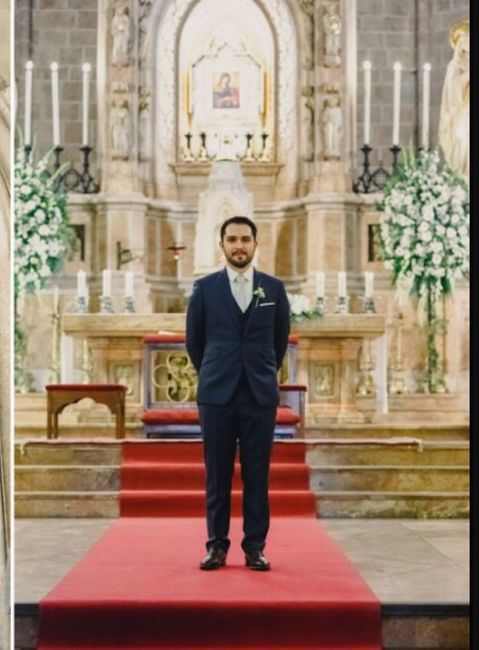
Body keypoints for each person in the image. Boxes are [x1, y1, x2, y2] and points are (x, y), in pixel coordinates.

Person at [186, 216, 290, 571]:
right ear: (222, 245)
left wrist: (259, 371)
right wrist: (216, 371)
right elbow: (194, 342)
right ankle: (216, 545)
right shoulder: (205, 288)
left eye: (245, 239)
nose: (239, 245)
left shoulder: (273, 290)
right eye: (232, 239)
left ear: (256, 244)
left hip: (259, 395)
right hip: (217, 395)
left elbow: (279, 340)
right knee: (217, 475)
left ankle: (254, 546)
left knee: (257, 476)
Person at [438, 19, 469, 180]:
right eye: (463, 40)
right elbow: (453, 91)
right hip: (460, 112)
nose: (467, 42)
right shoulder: (454, 66)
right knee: (462, 142)